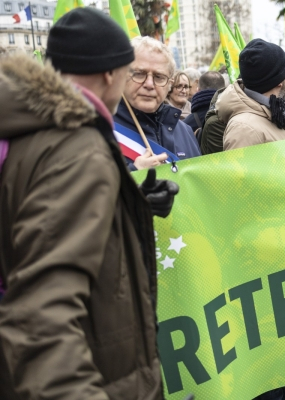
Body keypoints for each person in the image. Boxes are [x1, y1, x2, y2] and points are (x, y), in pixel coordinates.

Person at [0, 8, 178, 399]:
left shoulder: (32, 130)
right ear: (111, 74)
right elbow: (42, 319)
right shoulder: (77, 148)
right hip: (93, 375)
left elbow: (33, 222)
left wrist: (127, 204)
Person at [219, 38, 285, 400]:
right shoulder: (245, 128)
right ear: (279, 77)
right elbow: (238, 200)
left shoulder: (274, 115)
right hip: (267, 260)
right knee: (274, 363)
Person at [115, 36, 200, 170]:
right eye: (139, 74)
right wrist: (134, 174)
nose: (149, 84)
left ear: (169, 84)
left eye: (159, 77)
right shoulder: (99, 131)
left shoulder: (186, 132)